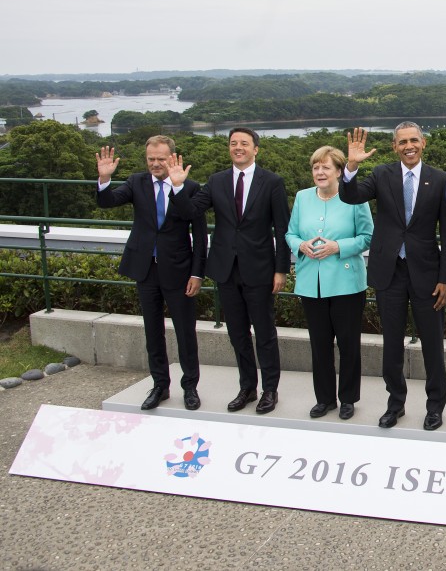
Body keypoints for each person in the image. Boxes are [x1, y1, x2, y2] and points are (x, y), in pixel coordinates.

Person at [340, 123, 446, 431]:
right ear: (394, 146)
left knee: (433, 345)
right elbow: (350, 195)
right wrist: (351, 165)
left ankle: (435, 407)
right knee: (391, 344)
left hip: (428, 276)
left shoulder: (441, 179)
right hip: (388, 273)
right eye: (402, 141)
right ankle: (396, 404)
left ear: (424, 143)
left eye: (414, 140)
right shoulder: (381, 175)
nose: (409, 146)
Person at [167, 127, 290, 415]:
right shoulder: (217, 181)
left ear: (255, 149)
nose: (238, 148)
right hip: (225, 270)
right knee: (237, 333)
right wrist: (177, 187)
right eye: (233, 143)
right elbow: (190, 212)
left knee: (265, 333)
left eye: (244, 143)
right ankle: (247, 387)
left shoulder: (272, 181)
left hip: (260, 269)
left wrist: (281, 269)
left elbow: (282, 228)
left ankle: (270, 390)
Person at [95, 136, 207, 411]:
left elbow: (201, 236)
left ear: (172, 157)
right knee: (152, 330)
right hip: (145, 269)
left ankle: (190, 387)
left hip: (180, 271)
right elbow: (107, 201)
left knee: (185, 332)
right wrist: (104, 179)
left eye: (161, 159)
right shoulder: (136, 182)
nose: (156, 164)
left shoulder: (190, 187)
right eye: (151, 159)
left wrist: (197, 274)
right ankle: (160, 385)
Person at [286, 146, 374, 420]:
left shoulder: (355, 198)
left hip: (347, 283)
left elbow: (368, 236)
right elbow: (290, 233)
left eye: (326, 167)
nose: (320, 172)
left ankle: (347, 398)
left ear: (338, 171)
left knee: (348, 344)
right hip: (312, 284)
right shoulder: (302, 197)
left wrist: (339, 246)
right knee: (319, 345)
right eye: (316, 167)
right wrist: (301, 244)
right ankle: (324, 399)